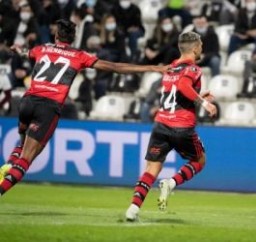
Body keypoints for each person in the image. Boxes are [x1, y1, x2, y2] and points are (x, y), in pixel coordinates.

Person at [0, 19, 166, 196]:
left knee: (23, 143)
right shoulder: (78, 55)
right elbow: (115, 67)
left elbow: (26, 53)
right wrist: (152, 67)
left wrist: (18, 50)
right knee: (26, 159)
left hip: (27, 102)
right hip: (47, 107)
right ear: (74, 38)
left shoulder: (42, 48)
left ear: (56, 35)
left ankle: (9, 165)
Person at [125, 31, 217, 221]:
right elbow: (183, 86)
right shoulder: (193, 69)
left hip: (161, 123)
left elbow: (177, 91)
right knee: (200, 161)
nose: (202, 48)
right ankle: (171, 183)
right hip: (182, 126)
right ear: (194, 48)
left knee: (151, 168)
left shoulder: (171, 68)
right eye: (200, 45)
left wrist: (199, 94)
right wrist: (203, 102)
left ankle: (133, 209)